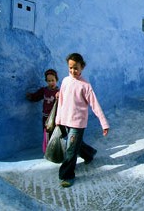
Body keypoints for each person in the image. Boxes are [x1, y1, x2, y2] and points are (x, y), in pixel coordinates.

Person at [55, 53, 109, 188]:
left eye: (76, 68)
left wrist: (104, 123)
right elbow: (61, 101)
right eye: (70, 68)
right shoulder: (65, 81)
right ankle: (89, 153)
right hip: (65, 120)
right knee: (75, 144)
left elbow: (95, 105)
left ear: (82, 67)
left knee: (70, 150)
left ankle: (67, 175)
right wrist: (58, 119)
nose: (73, 71)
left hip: (78, 123)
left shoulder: (85, 86)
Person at [26, 69, 59, 154]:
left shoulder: (58, 92)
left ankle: (55, 149)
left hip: (55, 117)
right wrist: (31, 96)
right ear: (46, 81)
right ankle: (48, 150)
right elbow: (37, 96)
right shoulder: (44, 91)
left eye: (52, 80)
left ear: (56, 80)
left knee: (54, 133)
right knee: (46, 133)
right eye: (49, 81)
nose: (51, 83)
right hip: (45, 117)